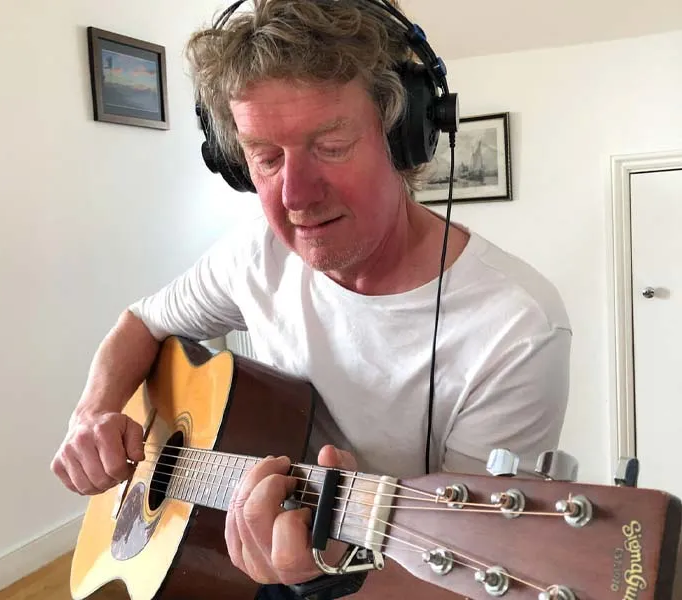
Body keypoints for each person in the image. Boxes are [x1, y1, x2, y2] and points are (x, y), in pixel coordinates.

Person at [51, 0, 571, 598]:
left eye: (331, 145)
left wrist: (323, 579)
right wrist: (91, 411)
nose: (295, 195)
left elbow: (473, 572)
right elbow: (140, 323)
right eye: (266, 157)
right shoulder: (252, 255)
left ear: (404, 139)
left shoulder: (516, 326)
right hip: (240, 552)